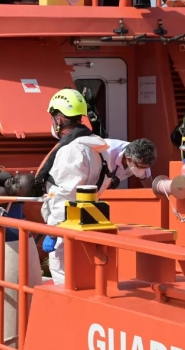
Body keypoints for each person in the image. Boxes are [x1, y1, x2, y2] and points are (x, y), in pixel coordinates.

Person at [32, 88, 114, 285]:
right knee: (85, 274)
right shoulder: (99, 147)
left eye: (53, 118)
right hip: (90, 220)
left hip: (66, 226)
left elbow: (63, 195)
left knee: (63, 276)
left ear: (59, 119)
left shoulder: (71, 151)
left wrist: (53, 231)